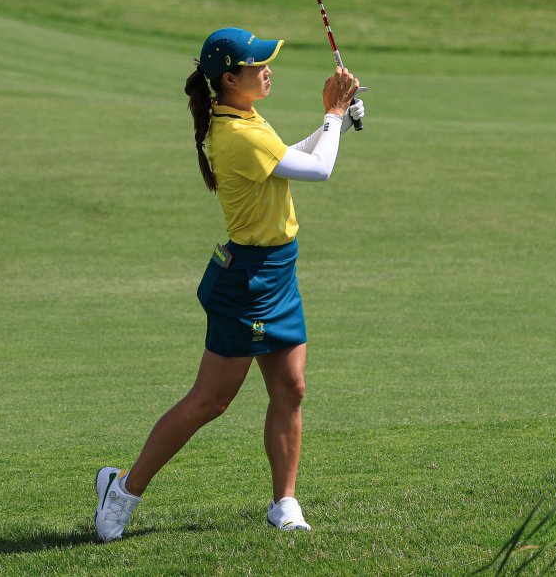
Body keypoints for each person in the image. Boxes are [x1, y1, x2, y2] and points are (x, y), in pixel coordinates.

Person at [94, 26, 364, 540]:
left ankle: (284, 502)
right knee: (210, 401)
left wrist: (337, 126)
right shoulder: (235, 134)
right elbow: (319, 172)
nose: (267, 69)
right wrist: (332, 115)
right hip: (247, 280)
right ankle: (124, 488)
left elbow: (292, 160)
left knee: (291, 388)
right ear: (228, 78)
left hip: (279, 270)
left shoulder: (244, 117)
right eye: (256, 64)